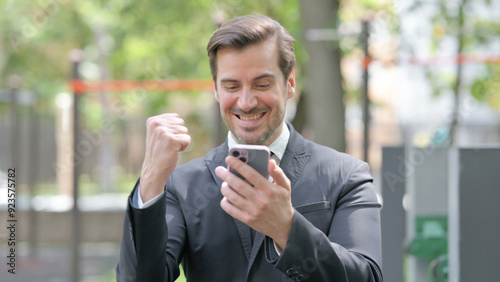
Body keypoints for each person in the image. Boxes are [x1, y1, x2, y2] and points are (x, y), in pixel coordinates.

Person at [117, 14, 382, 282]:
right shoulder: (181, 185)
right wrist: (151, 179)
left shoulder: (346, 175)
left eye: (262, 84)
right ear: (216, 91)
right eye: (231, 86)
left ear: (289, 84)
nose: (245, 102)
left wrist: (287, 229)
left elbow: (367, 277)